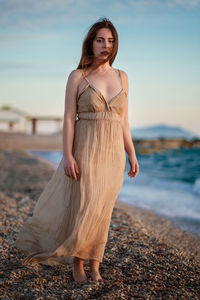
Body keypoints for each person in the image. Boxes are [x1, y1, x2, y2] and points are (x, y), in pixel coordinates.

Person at [15, 17, 139, 283]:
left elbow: (124, 121)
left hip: (113, 154)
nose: (106, 45)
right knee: (86, 205)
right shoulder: (78, 76)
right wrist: (68, 154)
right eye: (100, 40)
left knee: (103, 208)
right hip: (86, 148)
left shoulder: (123, 77)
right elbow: (69, 118)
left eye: (111, 40)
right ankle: (78, 264)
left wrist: (132, 154)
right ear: (90, 43)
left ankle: (95, 264)